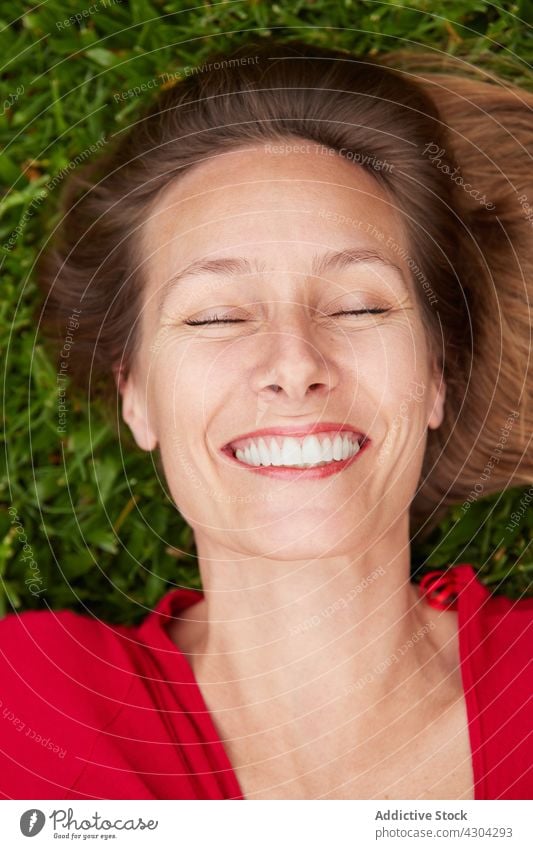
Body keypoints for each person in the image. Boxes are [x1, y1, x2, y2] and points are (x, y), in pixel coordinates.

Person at [1, 39, 532, 800]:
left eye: (358, 305)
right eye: (217, 317)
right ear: (136, 394)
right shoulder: (29, 704)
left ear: (434, 375)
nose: (293, 363)